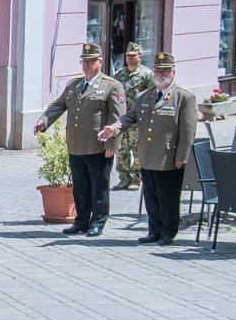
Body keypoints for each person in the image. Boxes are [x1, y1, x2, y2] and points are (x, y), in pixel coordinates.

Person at [98, 52, 198, 246]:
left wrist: (182, 156)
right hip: (147, 155)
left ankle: (168, 231)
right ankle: (154, 230)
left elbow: (188, 131)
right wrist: (113, 128)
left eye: (165, 71)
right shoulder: (146, 96)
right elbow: (129, 117)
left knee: (168, 197)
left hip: (169, 157)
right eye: (158, 70)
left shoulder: (184, 97)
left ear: (173, 73)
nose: (161, 74)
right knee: (151, 196)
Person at [34, 42, 127, 237]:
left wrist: (112, 145)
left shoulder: (112, 86)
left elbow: (117, 119)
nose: (86, 65)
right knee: (80, 187)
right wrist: (44, 120)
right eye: (84, 61)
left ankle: (98, 222)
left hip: (98, 146)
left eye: (90, 61)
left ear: (100, 62)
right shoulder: (74, 84)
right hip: (76, 145)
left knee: (98, 187)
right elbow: (59, 104)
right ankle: (81, 221)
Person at [111, 41, 154, 191]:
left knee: (137, 149)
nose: (129, 58)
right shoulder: (119, 74)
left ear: (139, 56)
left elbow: (152, 95)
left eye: (133, 55)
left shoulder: (146, 74)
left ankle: (136, 178)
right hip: (123, 118)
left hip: (138, 119)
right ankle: (123, 178)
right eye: (128, 55)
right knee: (121, 149)